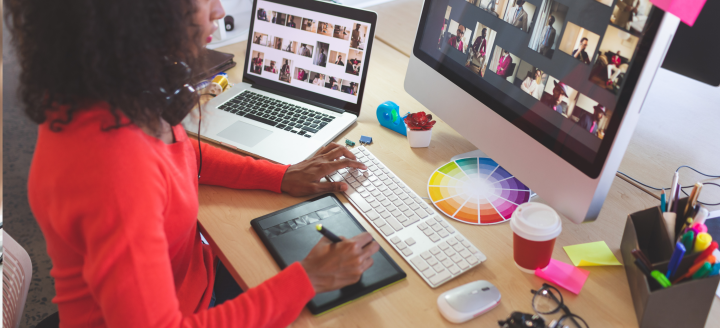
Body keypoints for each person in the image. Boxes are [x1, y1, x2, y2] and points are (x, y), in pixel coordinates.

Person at [7, 0, 381, 327]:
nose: (218, 9)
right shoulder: (114, 171)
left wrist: (279, 175)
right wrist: (308, 281)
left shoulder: (104, 92)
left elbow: (179, 152)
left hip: (193, 281)